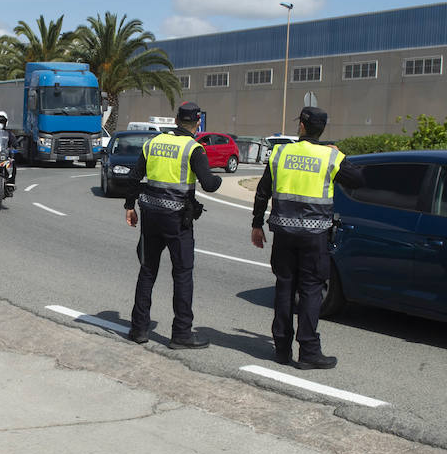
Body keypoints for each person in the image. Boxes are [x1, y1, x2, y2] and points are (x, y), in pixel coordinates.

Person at [250, 106, 363, 369]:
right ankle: (309, 351)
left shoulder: (280, 153)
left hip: (284, 234)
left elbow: (262, 191)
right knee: (311, 291)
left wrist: (257, 224)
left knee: (284, 287)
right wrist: (338, 154)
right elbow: (358, 180)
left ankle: (281, 349)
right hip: (314, 236)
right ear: (321, 129)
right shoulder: (330, 157)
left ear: (301, 125)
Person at [122, 101, 222, 349]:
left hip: (150, 216)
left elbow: (134, 177)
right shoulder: (194, 148)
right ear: (197, 123)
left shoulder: (153, 142)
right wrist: (218, 179)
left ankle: (139, 330)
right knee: (182, 274)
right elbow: (209, 184)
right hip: (177, 220)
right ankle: (181, 334)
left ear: (176, 120)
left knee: (147, 271)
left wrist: (129, 207)